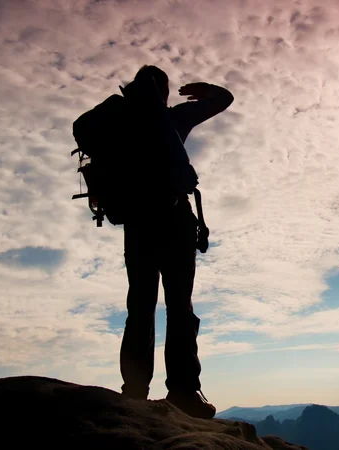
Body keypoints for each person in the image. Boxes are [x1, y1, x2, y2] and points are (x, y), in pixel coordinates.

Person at [119, 65, 233, 419]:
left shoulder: (119, 123)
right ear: (164, 92)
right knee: (179, 307)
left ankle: (134, 391)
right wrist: (207, 89)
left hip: (137, 225)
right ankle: (183, 391)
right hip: (174, 219)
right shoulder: (173, 118)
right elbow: (224, 99)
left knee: (140, 306)